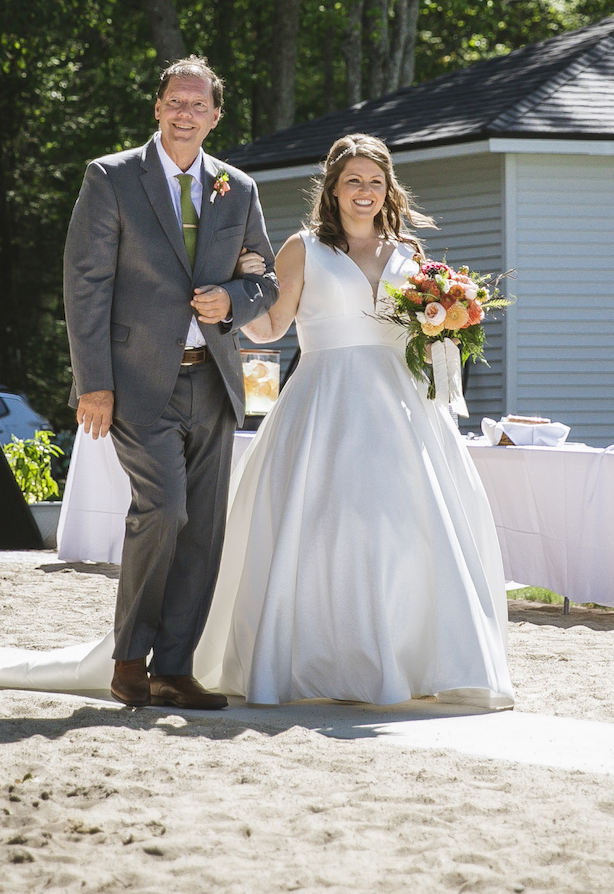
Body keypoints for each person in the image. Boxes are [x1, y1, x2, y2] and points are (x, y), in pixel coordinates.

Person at [190, 134, 514, 708]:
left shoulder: (411, 254)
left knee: (407, 527)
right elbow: (273, 329)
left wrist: (452, 322)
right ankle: (325, 662)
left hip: (403, 407)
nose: (364, 192)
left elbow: (424, 333)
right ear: (333, 190)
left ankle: (410, 658)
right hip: (326, 403)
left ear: (389, 189)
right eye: (352, 182)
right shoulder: (304, 247)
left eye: (374, 182)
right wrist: (234, 306)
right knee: (325, 526)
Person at [61, 56, 278, 710]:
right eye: (175, 103)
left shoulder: (237, 188)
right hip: (134, 383)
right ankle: (130, 661)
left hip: (213, 382)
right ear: (158, 108)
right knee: (166, 510)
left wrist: (233, 303)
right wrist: (92, 382)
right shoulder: (111, 177)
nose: (185, 114)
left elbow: (265, 280)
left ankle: (174, 669)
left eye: (198, 105)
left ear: (215, 116)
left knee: (204, 527)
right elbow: (85, 283)